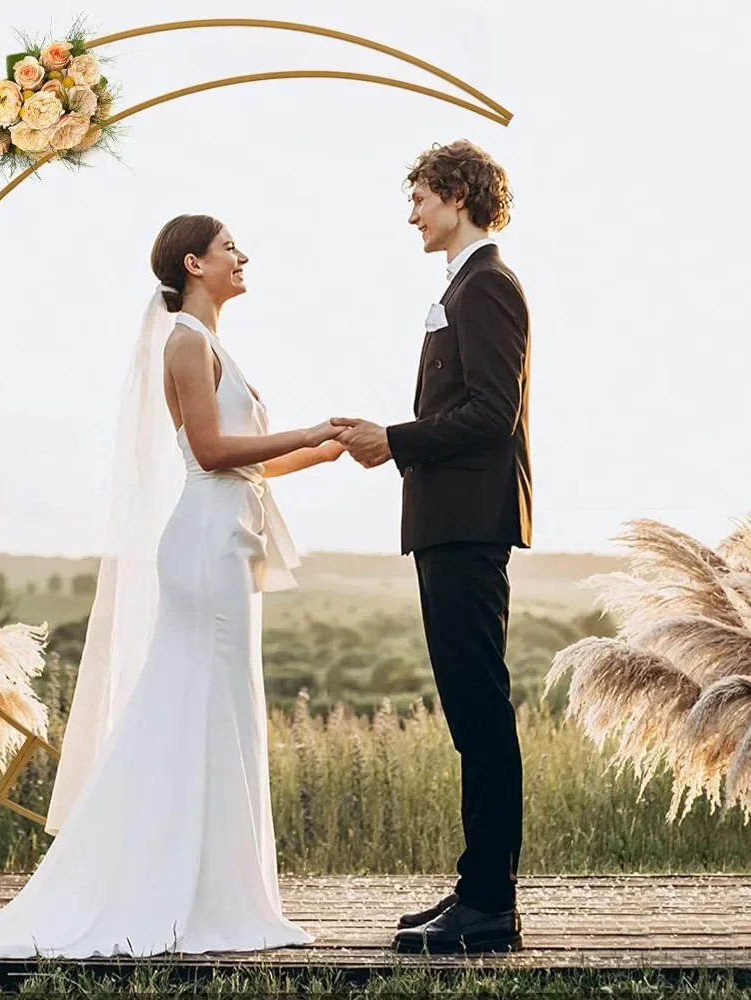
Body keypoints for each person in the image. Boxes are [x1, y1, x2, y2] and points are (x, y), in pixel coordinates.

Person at [0, 213, 344, 958]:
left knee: (218, 711)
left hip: (229, 544)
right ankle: (179, 891)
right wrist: (305, 431)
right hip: (207, 545)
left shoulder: (212, 344)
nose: (243, 256)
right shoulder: (185, 341)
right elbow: (210, 452)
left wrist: (328, 449)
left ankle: (219, 889)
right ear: (194, 263)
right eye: (229, 248)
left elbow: (250, 461)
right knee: (200, 707)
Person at [332, 139, 531, 955]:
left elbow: (492, 414)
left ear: (457, 194)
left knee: (479, 710)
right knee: (468, 710)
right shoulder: (463, 284)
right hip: (450, 521)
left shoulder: (486, 286)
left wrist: (395, 439)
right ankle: (476, 888)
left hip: (468, 522)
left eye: (418, 197)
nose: (411, 213)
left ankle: (489, 906)